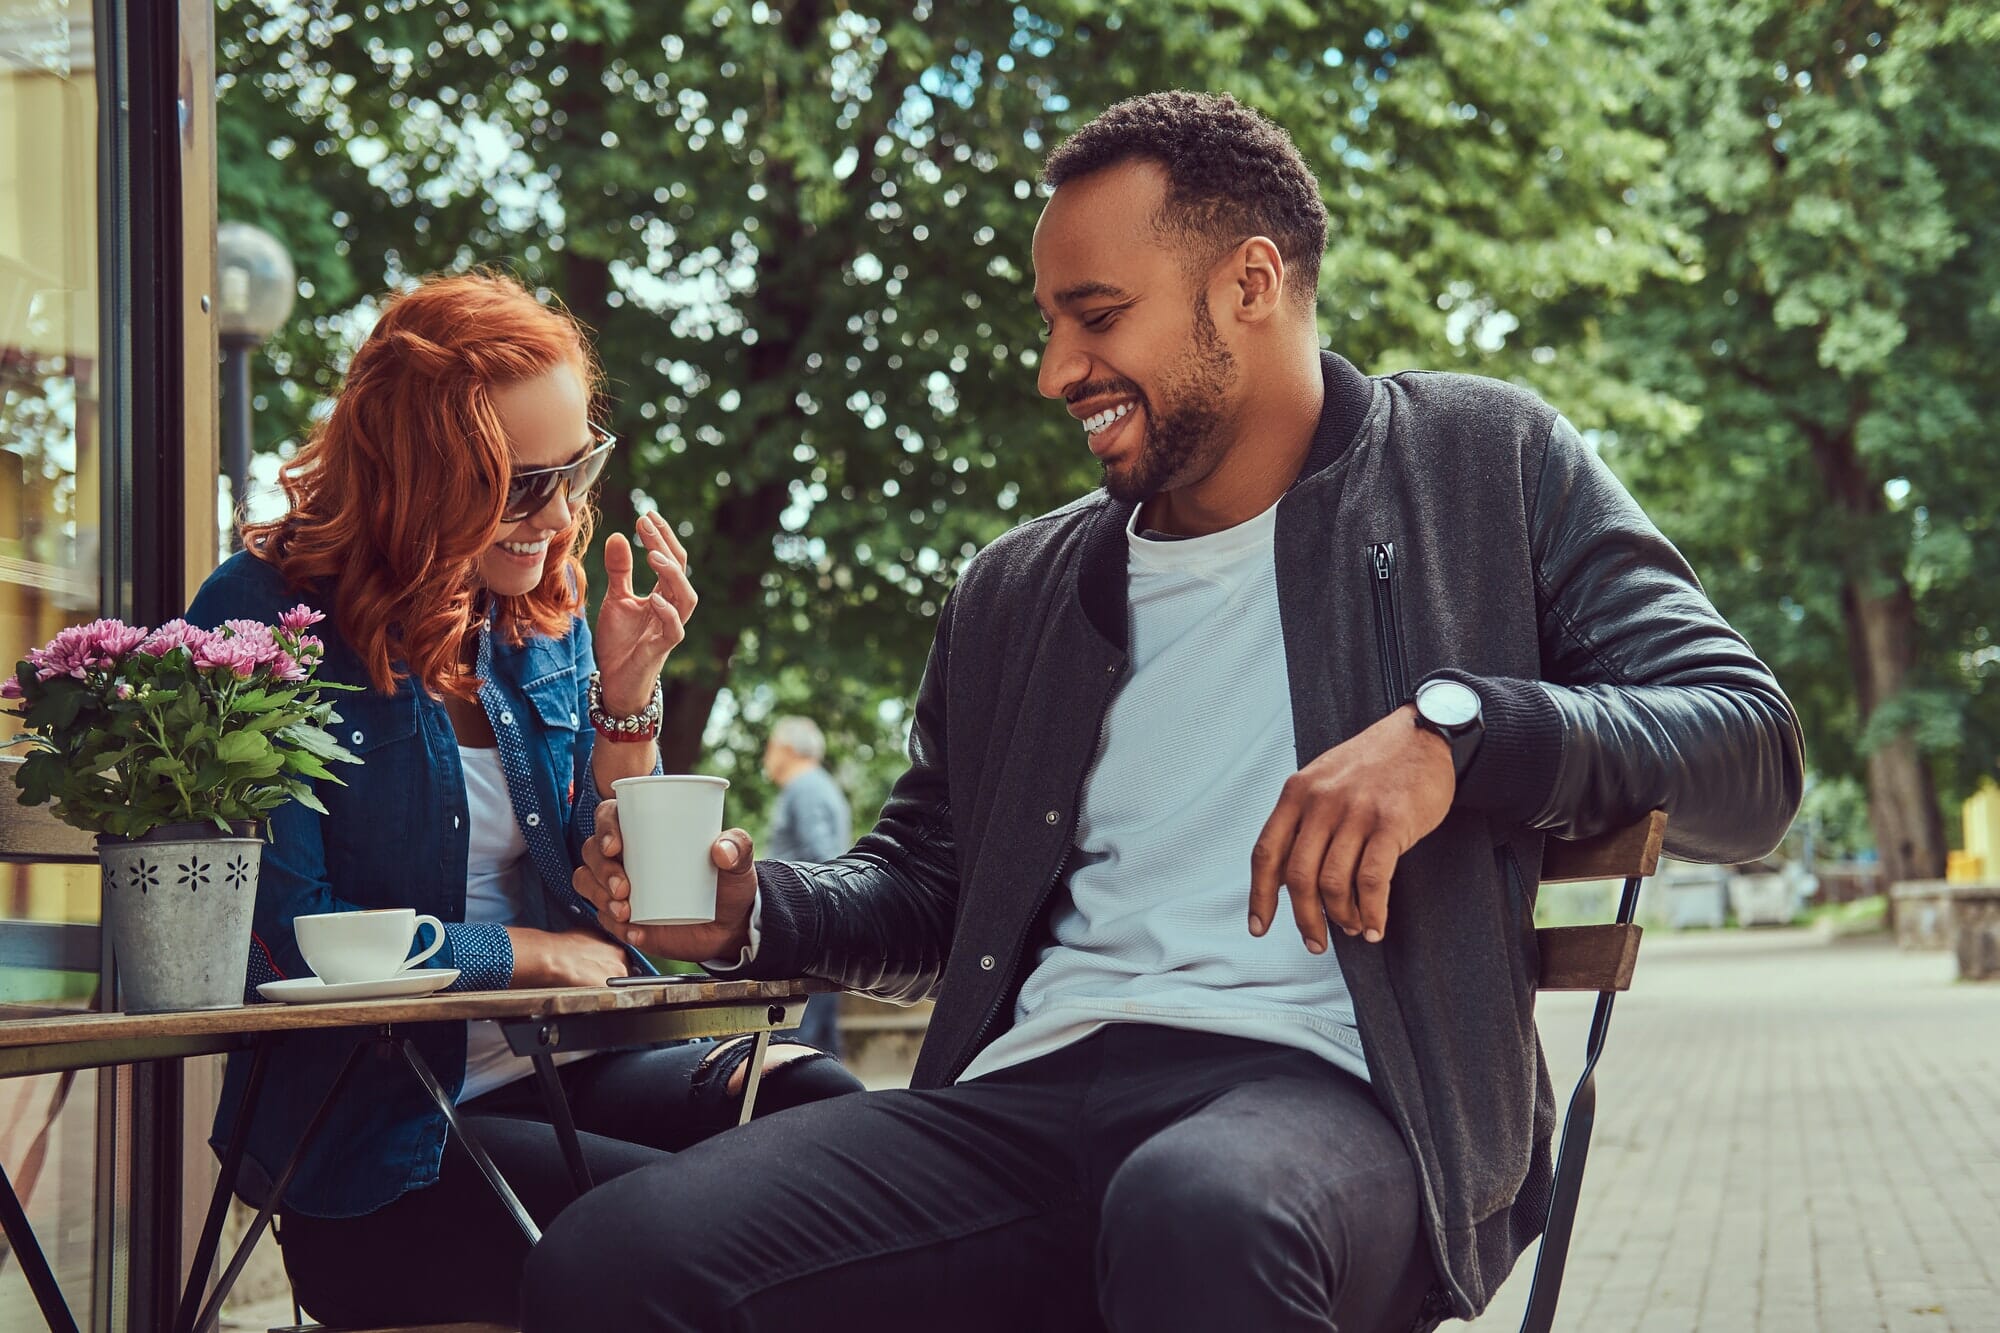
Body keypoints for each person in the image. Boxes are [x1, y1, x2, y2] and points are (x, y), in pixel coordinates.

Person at [526, 92, 1804, 1332]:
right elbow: (931, 891)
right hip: (1024, 1097)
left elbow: (1747, 750)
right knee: (615, 1257)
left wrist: (1455, 734)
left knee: (1195, 1215)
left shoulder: (1481, 463)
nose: (1053, 370)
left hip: (1339, 1100)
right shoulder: (1016, 587)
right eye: (1048, 321)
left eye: (1095, 316)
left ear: (1248, 283)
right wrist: (759, 910)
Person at [185, 272, 861, 1328]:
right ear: (417, 471)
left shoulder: (540, 618)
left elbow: (630, 911)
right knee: (687, 1231)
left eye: (571, 471)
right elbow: (276, 942)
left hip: (565, 1067)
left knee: (820, 1111)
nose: (552, 518)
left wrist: (627, 703)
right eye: (514, 485)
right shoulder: (259, 616)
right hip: (376, 1132)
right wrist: (521, 956)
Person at [761, 715, 852, 1055]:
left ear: (786, 749)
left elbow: (823, 856)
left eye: (770, 748)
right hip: (819, 928)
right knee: (820, 1037)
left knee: (800, 1037)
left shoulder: (805, 788)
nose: (766, 757)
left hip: (805, 928)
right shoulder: (821, 785)